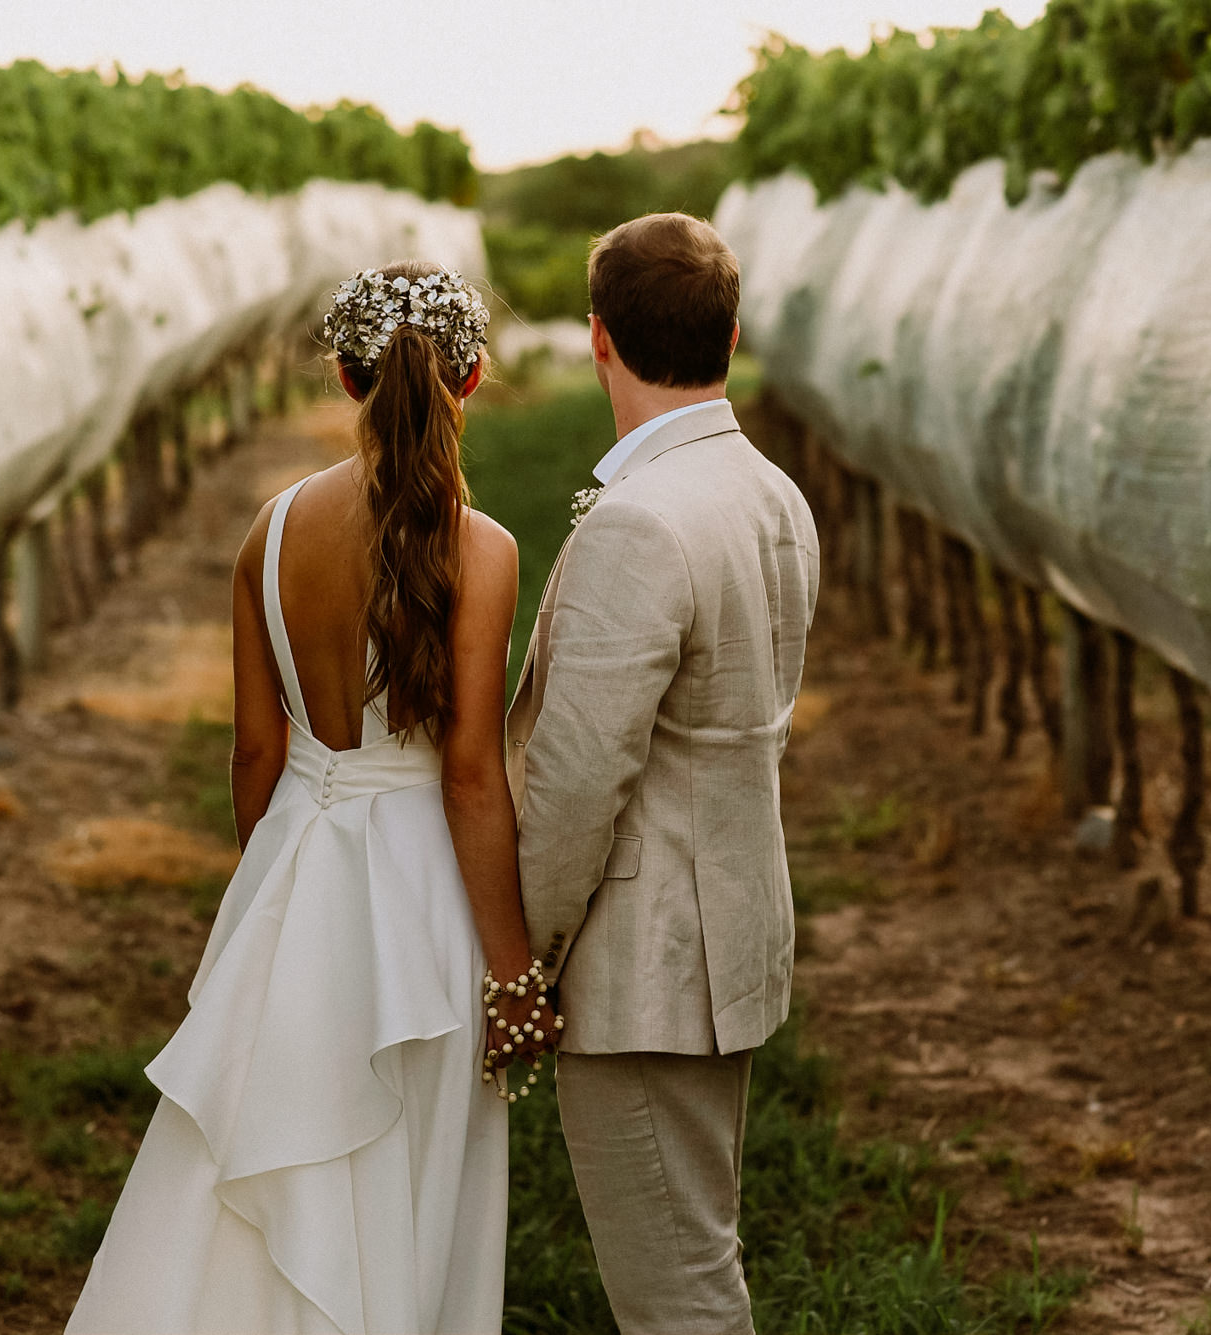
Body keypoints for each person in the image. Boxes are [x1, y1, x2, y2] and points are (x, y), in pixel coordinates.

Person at [67, 261, 559, 1334]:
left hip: (296, 857)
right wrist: (515, 973)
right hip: (422, 898)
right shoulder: (485, 553)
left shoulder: (271, 530)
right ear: (468, 381)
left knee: (247, 1165)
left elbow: (256, 748)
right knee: (410, 1176)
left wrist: (272, 880)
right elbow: (469, 776)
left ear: (344, 378)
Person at [508, 213, 821, 1334]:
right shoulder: (772, 493)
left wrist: (521, 965)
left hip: (646, 968)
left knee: (674, 1297)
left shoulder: (637, 522)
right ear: (729, 338)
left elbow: (576, 783)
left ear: (597, 340)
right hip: (727, 934)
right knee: (699, 1257)